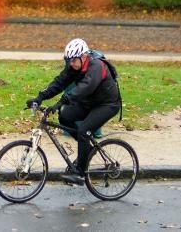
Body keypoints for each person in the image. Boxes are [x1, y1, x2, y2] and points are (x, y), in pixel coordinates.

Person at [26, 38, 121, 185]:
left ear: (84, 57)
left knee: (83, 130)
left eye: (74, 60)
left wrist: (62, 101)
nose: (71, 64)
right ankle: (87, 150)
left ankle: (80, 174)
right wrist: (40, 97)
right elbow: (59, 82)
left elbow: (85, 86)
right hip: (89, 102)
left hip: (107, 104)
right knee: (64, 116)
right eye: (69, 61)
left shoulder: (97, 66)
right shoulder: (74, 66)